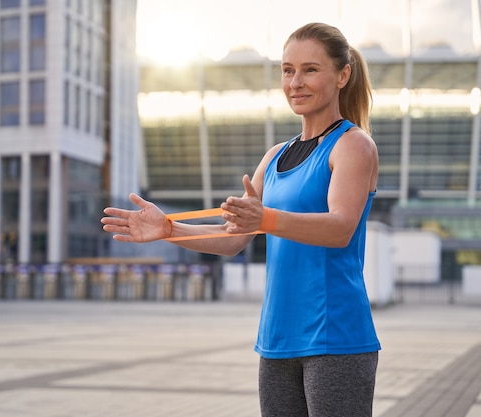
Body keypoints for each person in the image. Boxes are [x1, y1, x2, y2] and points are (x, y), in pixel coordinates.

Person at [102, 22, 380, 417]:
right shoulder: (275, 156)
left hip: (335, 339)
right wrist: (169, 230)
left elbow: (340, 228)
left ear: (343, 75)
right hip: (277, 342)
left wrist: (265, 217)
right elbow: (234, 239)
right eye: (287, 70)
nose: (295, 82)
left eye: (310, 69)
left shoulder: (353, 145)